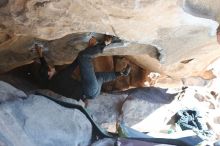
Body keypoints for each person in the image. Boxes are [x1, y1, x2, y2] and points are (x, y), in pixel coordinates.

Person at [34, 35, 131, 103]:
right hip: (88, 89)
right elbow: (76, 63)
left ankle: (122, 73)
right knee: (83, 56)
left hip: (91, 94)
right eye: (50, 68)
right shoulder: (59, 77)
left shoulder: (49, 84)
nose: (52, 67)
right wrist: (89, 49)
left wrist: (40, 55)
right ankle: (106, 43)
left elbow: (45, 69)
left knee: (99, 76)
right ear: (49, 73)